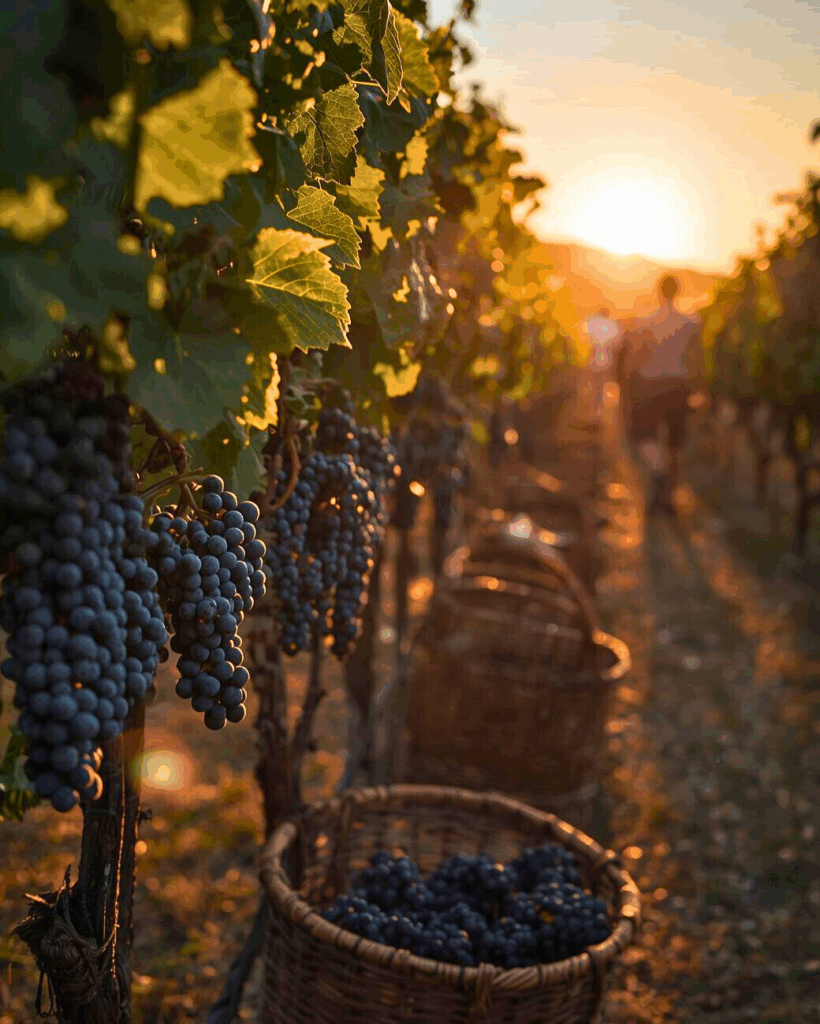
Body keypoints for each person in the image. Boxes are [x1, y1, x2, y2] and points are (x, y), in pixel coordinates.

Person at [619, 275, 704, 511]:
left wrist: (627, 383)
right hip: (679, 385)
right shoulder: (691, 322)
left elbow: (639, 354)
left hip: (650, 385)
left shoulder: (647, 321)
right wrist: (701, 388)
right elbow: (697, 357)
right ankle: (669, 497)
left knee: (645, 436)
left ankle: (657, 474)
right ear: (678, 291)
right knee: (675, 443)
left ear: (658, 291)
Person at [581, 307, 623, 417]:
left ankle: (595, 408)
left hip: (594, 361)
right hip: (606, 361)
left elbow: (587, 340)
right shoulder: (611, 326)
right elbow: (617, 344)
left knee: (595, 385)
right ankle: (600, 408)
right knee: (602, 384)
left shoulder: (594, 324)